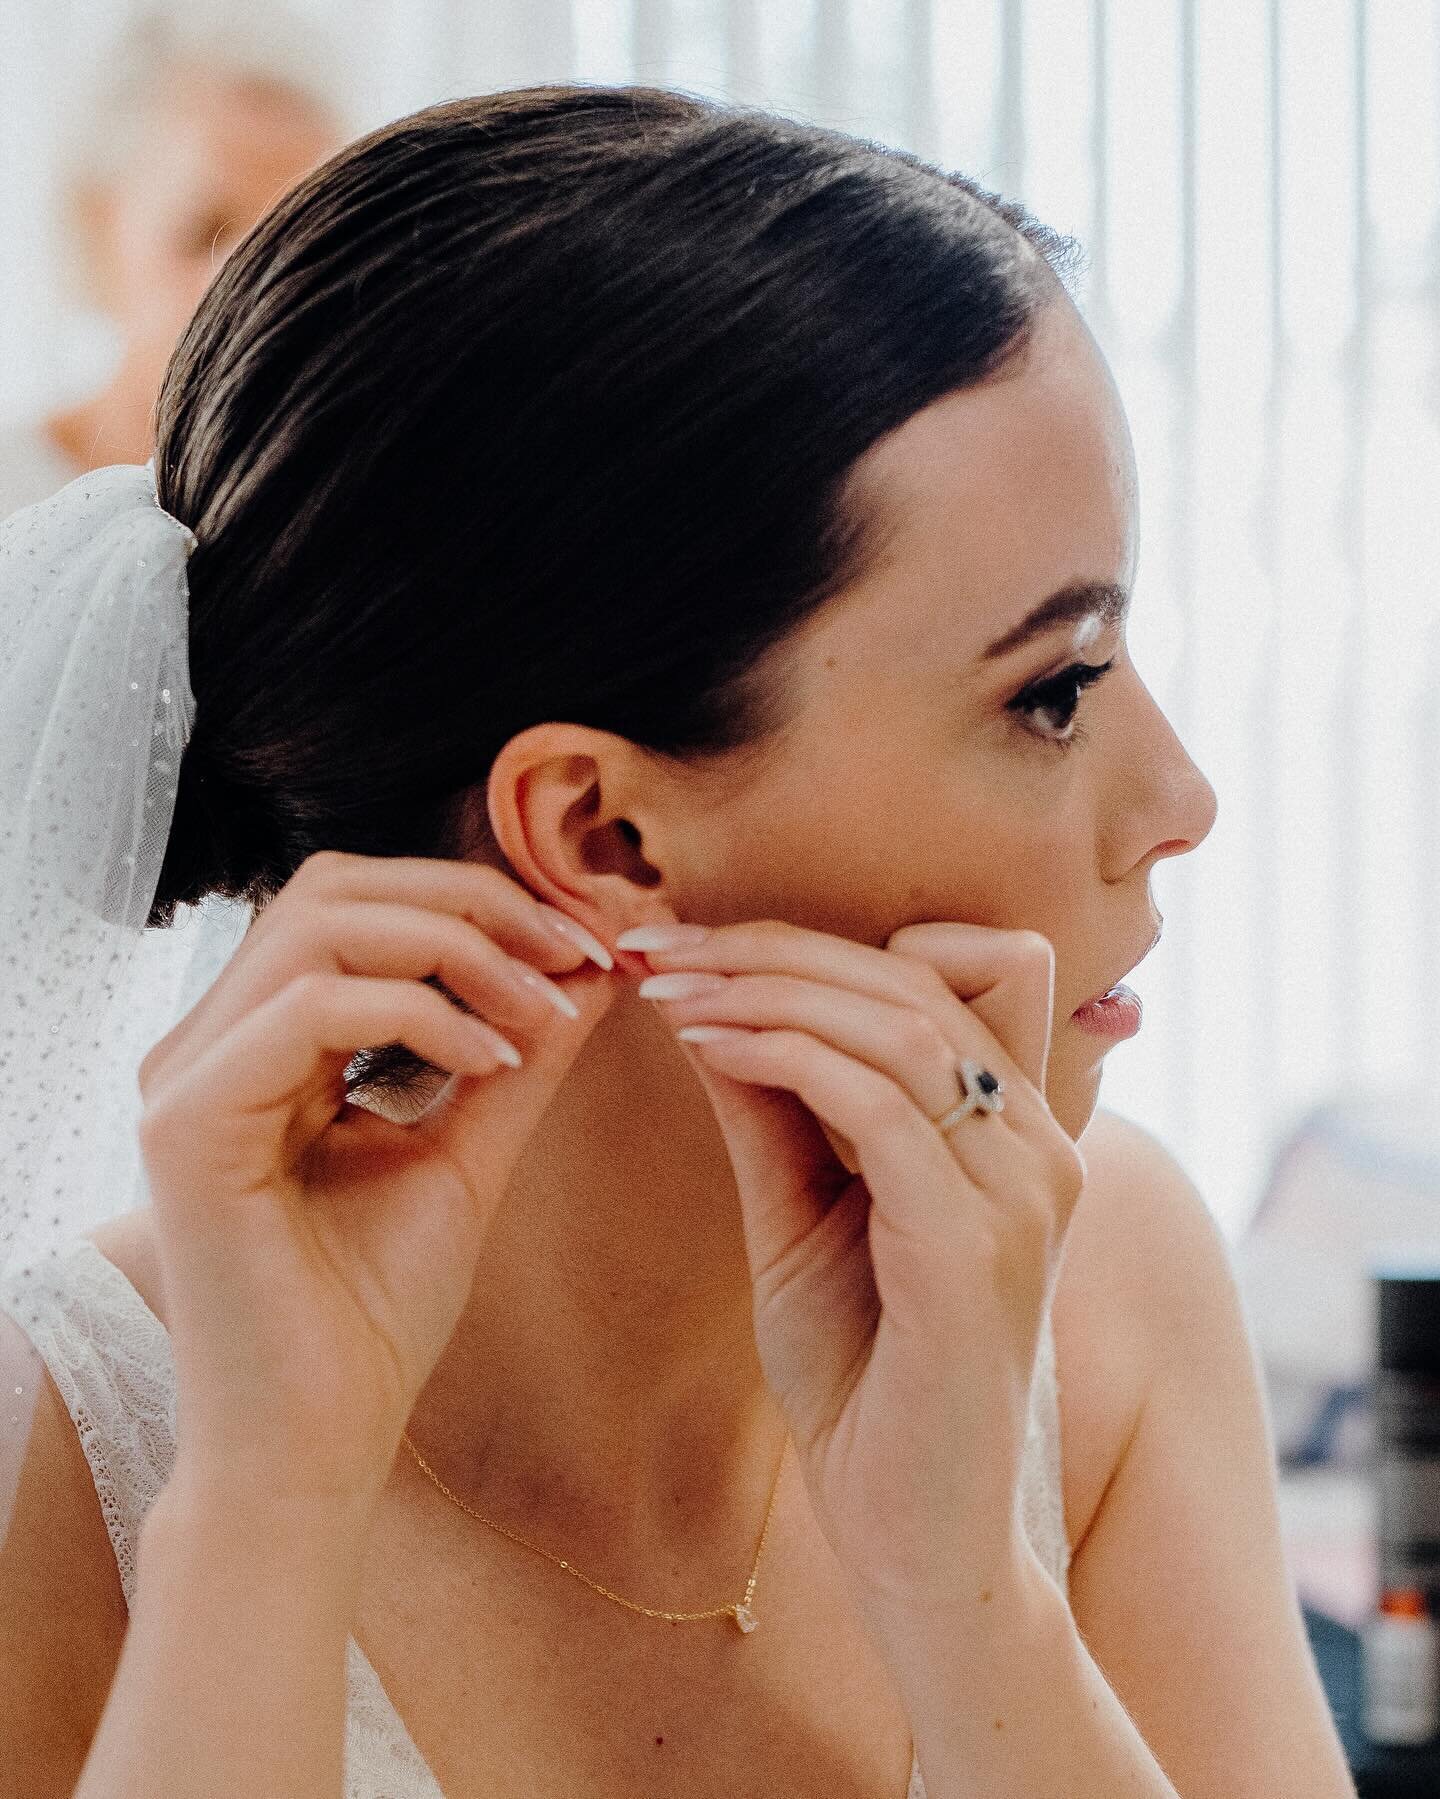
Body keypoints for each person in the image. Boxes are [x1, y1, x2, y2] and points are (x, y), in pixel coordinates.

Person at [0, 85, 1357, 1797]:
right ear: (601, 833)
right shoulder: (67, 1448)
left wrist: (969, 1600)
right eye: (1055, 690)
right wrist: (267, 1507)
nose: (1184, 797)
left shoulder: (1108, 1284)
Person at [0, 2, 347, 517]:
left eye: (296, 243)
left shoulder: (337, 508)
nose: (254, 288)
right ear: (95, 227)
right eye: (204, 232)